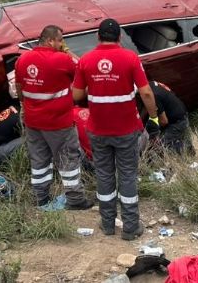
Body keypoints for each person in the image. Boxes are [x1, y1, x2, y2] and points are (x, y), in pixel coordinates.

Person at [73, 19, 160, 241]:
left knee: (104, 175)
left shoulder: (86, 60)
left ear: (98, 37)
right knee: (128, 175)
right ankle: (130, 227)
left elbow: (76, 95)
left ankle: (108, 223)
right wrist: (153, 116)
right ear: (120, 37)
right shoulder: (130, 58)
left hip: (98, 129)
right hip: (126, 129)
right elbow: (146, 93)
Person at [15, 25, 93, 210]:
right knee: (68, 159)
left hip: (33, 122)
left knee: (39, 161)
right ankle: (75, 198)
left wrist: (26, 104)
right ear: (51, 40)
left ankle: (40, 197)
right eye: (60, 41)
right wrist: (68, 51)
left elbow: (19, 90)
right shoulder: (61, 59)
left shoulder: (23, 59)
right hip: (58, 122)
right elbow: (84, 69)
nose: (61, 44)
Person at [139, 80, 190, 155]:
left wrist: (152, 130)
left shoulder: (154, 96)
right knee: (153, 142)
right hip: (178, 113)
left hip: (178, 122)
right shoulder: (150, 85)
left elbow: (164, 121)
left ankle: (186, 147)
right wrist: (140, 123)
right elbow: (147, 106)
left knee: (159, 147)